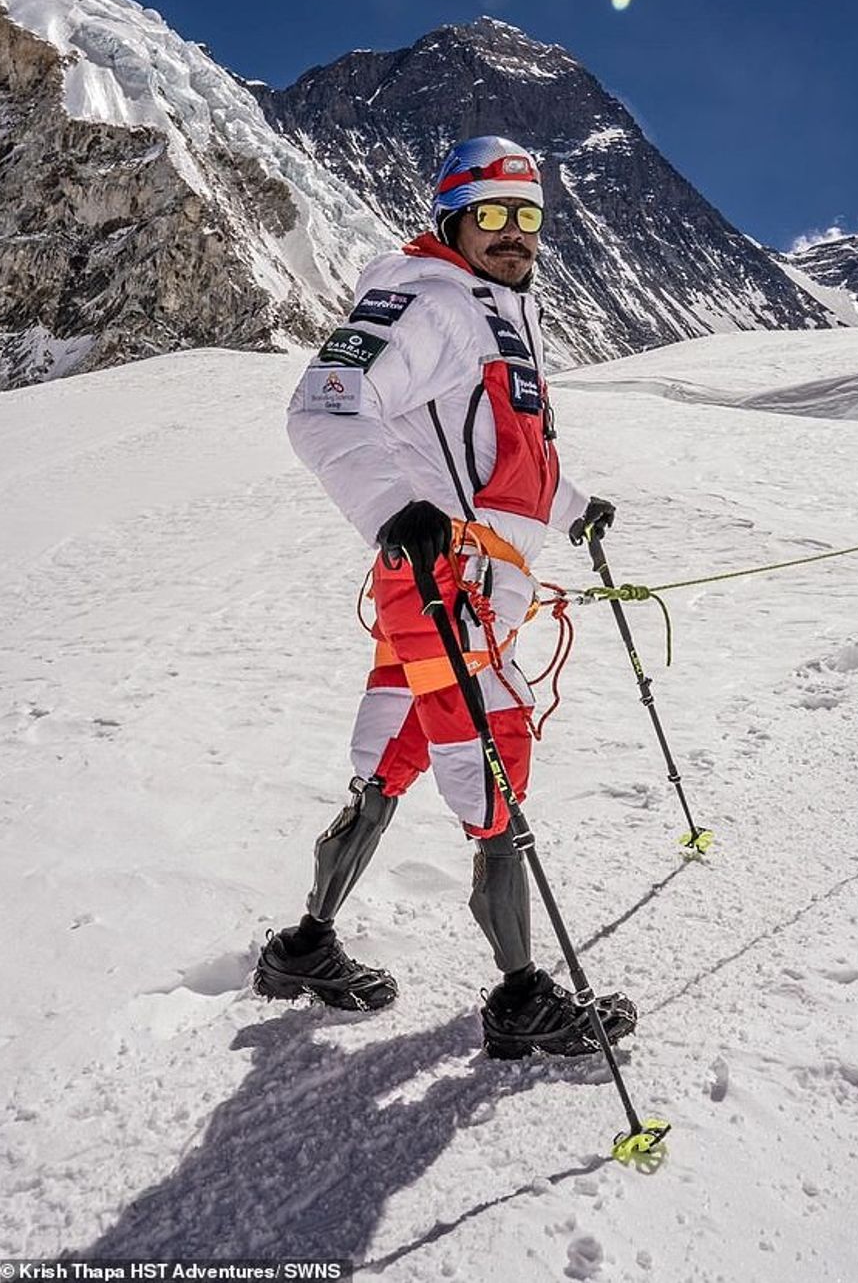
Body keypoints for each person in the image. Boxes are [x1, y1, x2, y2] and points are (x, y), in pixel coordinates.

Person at [255, 136, 633, 1058]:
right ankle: (520, 999)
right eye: (492, 215)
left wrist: (575, 507)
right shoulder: (425, 298)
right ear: (452, 217)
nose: (512, 234)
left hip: (454, 586)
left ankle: (305, 946)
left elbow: (508, 456)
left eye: (527, 216)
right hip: (443, 586)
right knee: (493, 758)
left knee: (393, 749)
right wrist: (396, 510)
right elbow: (325, 404)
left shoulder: (496, 307)